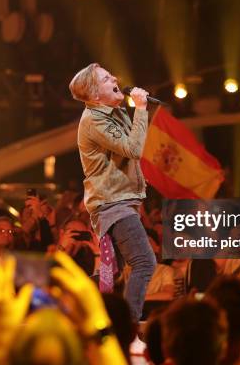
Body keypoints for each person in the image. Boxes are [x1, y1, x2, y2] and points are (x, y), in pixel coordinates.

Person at [69, 63, 156, 321]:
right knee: (144, 262)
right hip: (112, 204)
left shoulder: (112, 111)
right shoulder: (94, 120)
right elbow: (133, 149)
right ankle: (128, 327)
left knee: (111, 273)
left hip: (118, 202)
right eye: (107, 78)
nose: (114, 77)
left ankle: (70, 303)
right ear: (95, 96)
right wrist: (140, 109)